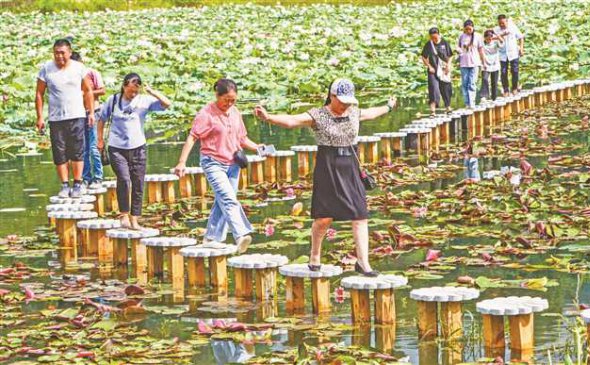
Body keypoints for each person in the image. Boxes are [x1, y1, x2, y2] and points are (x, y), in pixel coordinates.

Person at [254, 79, 396, 277]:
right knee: (324, 217)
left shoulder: (354, 111)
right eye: (342, 100)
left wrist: (388, 106)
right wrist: (268, 117)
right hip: (328, 167)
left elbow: (372, 113)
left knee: (360, 215)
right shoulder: (318, 115)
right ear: (332, 96)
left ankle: (364, 263)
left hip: (351, 167)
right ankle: (314, 255)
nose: (345, 105)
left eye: (349, 101)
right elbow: (292, 120)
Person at [173, 79, 261, 253]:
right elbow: (192, 137)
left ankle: (211, 237)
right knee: (229, 199)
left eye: (233, 100)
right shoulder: (206, 114)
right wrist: (182, 162)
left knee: (222, 201)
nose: (229, 103)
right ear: (217, 95)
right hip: (213, 162)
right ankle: (241, 234)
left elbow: (242, 139)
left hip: (233, 164)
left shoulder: (235, 112)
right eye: (226, 99)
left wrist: (259, 147)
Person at [97, 73, 171, 229]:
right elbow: (102, 119)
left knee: (138, 183)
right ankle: (123, 214)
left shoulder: (144, 100)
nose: (133, 94)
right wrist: (100, 139)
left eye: (135, 91)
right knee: (124, 179)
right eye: (130, 91)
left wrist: (151, 91)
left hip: (138, 147)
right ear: (124, 86)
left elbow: (167, 104)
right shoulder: (114, 100)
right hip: (117, 148)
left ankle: (134, 218)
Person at [35, 38, 95, 198]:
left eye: (62, 53)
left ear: (69, 52)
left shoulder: (79, 68)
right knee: (59, 152)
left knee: (77, 151)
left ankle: (77, 183)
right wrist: (40, 117)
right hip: (56, 118)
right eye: (56, 53)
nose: (59, 56)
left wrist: (91, 113)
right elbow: (39, 93)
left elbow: (88, 90)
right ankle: (64, 185)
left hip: (76, 115)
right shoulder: (46, 69)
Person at [70, 52, 106, 189]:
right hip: (78, 114)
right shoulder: (70, 76)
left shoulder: (91, 73)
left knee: (93, 147)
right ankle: (86, 178)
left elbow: (102, 91)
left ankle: (98, 177)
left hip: (94, 112)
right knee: (82, 148)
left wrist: (86, 92)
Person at [421, 27, 453, 116]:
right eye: (432, 38)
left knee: (446, 89)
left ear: (439, 35)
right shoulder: (428, 44)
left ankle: (447, 107)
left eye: (435, 37)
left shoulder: (444, 43)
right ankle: (433, 111)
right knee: (433, 89)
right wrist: (429, 66)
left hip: (443, 70)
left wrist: (448, 65)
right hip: (433, 71)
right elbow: (423, 57)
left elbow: (450, 55)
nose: (434, 39)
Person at [457, 20, 487, 108]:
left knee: (472, 83)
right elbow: (458, 47)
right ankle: (467, 103)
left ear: (473, 28)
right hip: (464, 63)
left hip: (475, 63)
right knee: (465, 83)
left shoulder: (478, 36)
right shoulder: (461, 36)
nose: (468, 31)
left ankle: (472, 102)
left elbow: (481, 50)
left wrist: (484, 62)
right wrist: (459, 51)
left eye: (470, 29)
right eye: (466, 29)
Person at [494, 14, 525, 96]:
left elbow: (521, 37)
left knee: (514, 71)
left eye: (503, 23)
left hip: (513, 53)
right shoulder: (496, 30)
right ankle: (506, 90)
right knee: (503, 72)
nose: (501, 25)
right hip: (502, 54)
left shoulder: (513, 28)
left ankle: (514, 88)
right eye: (499, 23)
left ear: (506, 21)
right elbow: (490, 38)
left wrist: (521, 49)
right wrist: (500, 35)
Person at [480, 30, 504, 101]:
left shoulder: (495, 43)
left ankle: (494, 97)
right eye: (487, 38)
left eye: (490, 38)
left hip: (495, 65)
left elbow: (502, 42)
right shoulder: (482, 45)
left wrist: (496, 34)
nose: (489, 39)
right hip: (485, 64)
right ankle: (484, 95)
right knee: (484, 79)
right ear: (485, 38)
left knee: (494, 82)